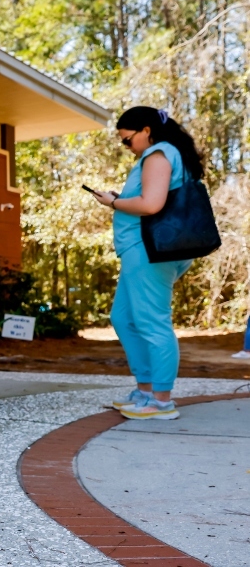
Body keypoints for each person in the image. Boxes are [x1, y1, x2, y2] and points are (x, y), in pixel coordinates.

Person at [91, 107, 203, 419]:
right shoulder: (164, 154)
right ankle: (145, 390)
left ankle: (161, 400)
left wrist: (112, 201)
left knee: (152, 322)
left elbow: (151, 204)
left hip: (149, 249)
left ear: (146, 130)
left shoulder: (158, 154)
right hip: (141, 250)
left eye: (127, 141)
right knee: (124, 318)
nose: (127, 147)